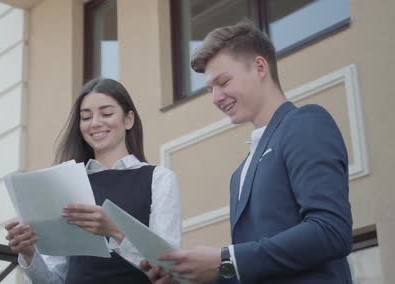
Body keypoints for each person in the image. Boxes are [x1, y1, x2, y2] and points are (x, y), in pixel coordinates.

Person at [142, 20, 353, 284]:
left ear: (260, 67)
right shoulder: (239, 174)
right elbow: (253, 268)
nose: (215, 98)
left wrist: (225, 259)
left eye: (223, 82)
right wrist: (188, 278)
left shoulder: (305, 122)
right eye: (209, 89)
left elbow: (331, 230)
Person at [5, 78, 182, 284]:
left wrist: (115, 231)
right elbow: (54, 280)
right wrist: (29, 254)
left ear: (128, 119)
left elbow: (169, 270)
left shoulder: (159, 179)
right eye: (86, 117)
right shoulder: (65, 184)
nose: (95, 123)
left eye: (106, 113)